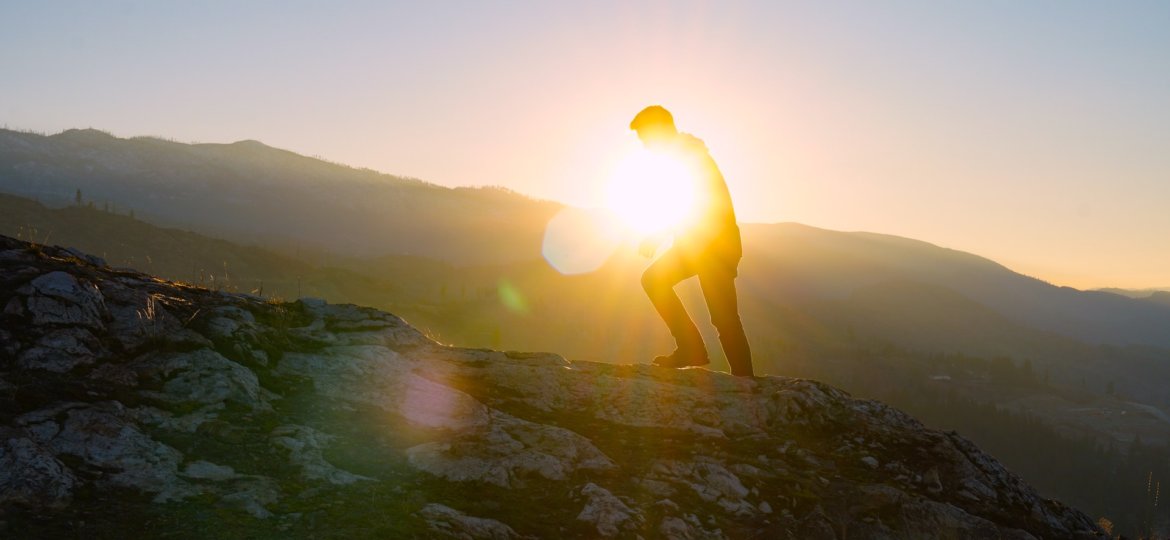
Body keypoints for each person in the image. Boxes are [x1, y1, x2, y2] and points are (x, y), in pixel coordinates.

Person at [630, 105, 754, 377]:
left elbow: (696, 203)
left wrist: (658, 235)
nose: (645, 145)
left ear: (660, 130)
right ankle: (693, 349)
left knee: (723, 318)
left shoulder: (688, 157)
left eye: (645, 137)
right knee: (655, 281)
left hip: (715, 247)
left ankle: (742, 379)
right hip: (698, 246)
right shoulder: (683, 156)